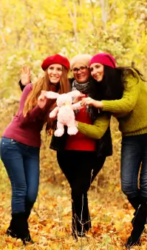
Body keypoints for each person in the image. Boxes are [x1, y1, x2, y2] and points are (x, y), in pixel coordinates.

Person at [80, 53, 147, 247]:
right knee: (128, 186)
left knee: (146, 184)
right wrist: (74, 123)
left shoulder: (128, 76)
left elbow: (129, 103)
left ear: (108, 67)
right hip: (130, 139)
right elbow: (99, 129)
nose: (94, 71)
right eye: (91, 69)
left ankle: (135, 235)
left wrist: (98, 103)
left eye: (97, 67)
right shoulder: (103, 93)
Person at [1, 54, 71, 244]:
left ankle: (13, 229)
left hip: (32, 147)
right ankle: (24, 236)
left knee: (32, 194)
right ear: (46, 71)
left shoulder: (62, 95)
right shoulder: (32, 88)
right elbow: (23, 120)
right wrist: (39, 107)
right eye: (52, 68)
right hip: (12, 142)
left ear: (64, 73)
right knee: (21, 189)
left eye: (59, 69)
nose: (55, 72)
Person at [48, 54, 113, 239]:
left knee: (78, 189)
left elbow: (121, 97)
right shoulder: (65, 87)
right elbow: (43, 89)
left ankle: (79, 231)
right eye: (75, 69)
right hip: (66, 151)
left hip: (93, 152)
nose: (79, 72)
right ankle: (83, 228)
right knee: (78, 190)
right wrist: (24, 84)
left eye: (83, 67)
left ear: (90, 69)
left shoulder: (100, 90)